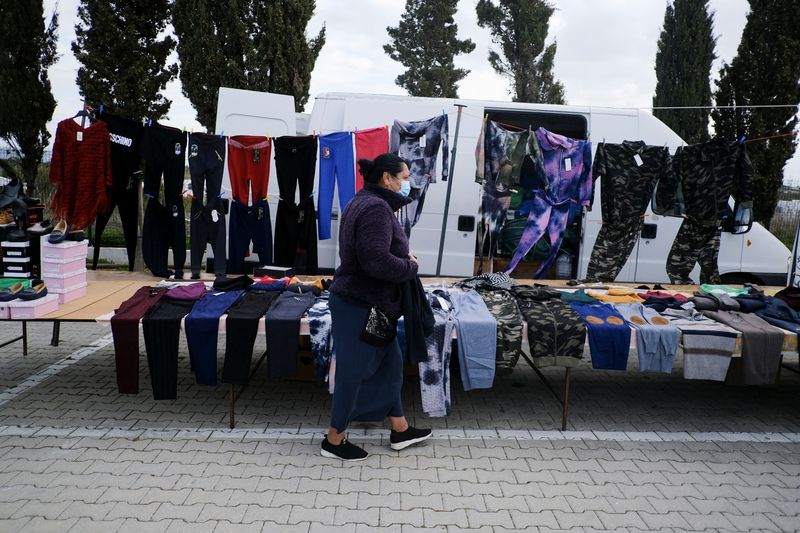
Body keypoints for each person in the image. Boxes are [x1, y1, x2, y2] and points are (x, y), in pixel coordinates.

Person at [322, 153, 432, 461]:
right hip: (360, 306)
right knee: (352, 374)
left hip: (371, 305)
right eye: (405, 177)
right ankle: (334, 440)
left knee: (390, 366)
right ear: (388, 178)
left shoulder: (366, 202)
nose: (408, 183)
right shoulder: (375, 209)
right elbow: (376, 262)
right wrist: (410, 266)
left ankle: (400, 429)